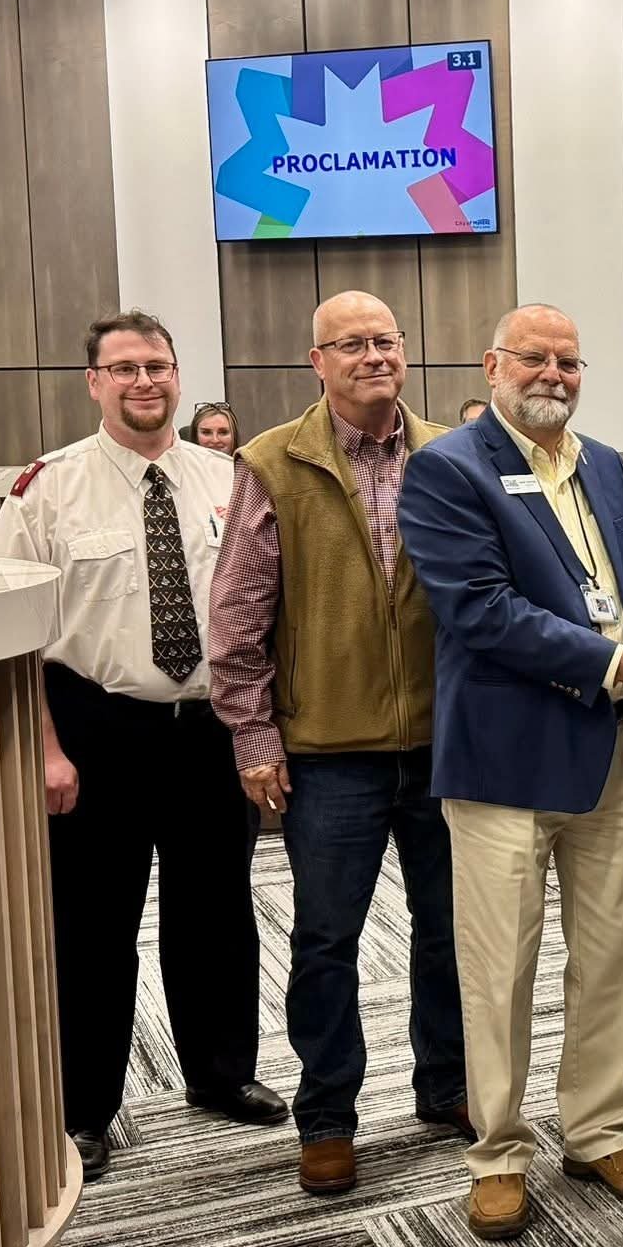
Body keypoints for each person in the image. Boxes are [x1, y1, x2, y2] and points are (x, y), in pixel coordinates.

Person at [398, 304, 623, 1241]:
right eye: (535, 358)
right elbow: (480, 612)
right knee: (499, 969)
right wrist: (619, 665)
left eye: (571, 361)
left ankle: (599, 1128)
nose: (555, 375)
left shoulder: (606, 465)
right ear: (494, 364)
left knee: (617, 952)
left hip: (610, 750)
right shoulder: (448, 469)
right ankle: (497, 1151)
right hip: (503, 759)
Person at [0, 311, 284, 1180]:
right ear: (94, 382)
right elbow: (14, 637)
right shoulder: (47, 489)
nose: (143, 382)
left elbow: (263, 613)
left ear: (178, 375)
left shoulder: (231, 479)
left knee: (218, 911)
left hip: (209, 730)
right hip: (95, 731)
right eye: (124, 368)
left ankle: (221, 1075)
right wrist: (43, 751)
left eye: (157, 365)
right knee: (93, 926)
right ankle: (85, 1109)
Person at [208, 292, 467, 1196]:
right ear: (317, 360)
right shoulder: (273, 462)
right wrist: (253, 735)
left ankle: (449, 1086)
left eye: (385, 341)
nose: (372, 357)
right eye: (350, 344)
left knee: (450, 934)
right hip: (328, 752)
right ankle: (327, 1115)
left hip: (445, 746)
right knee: (325, 941)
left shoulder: (452, 454)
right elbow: (237, 618)